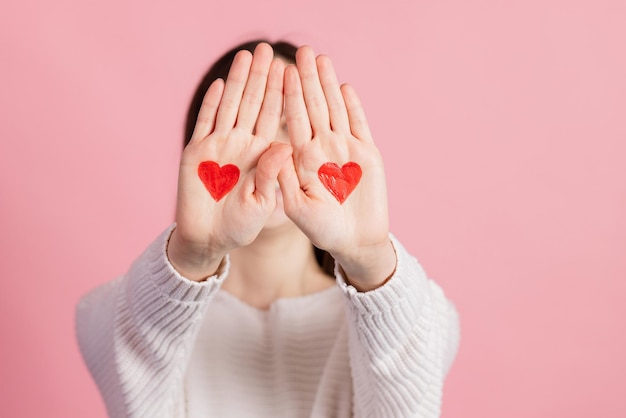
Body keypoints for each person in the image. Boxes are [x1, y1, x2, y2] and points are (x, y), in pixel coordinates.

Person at [76, 39, 460, 418]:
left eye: (291, 125)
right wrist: (193, 255)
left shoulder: (424, 323)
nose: (272, 151)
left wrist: (369, 257)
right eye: (250, 126)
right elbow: (132, 362)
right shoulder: (109, 317)